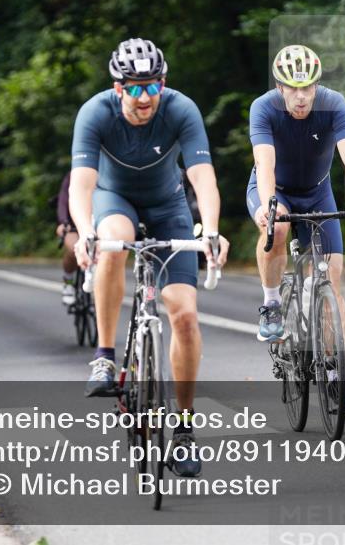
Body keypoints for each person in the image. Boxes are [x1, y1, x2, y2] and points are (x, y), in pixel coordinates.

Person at [70, 37, 230, 478]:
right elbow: (81, 185)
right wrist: (85, 233)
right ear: (118, 88)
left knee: (185, 317)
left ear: (164, 84)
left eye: (153, 87)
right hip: (114, 200)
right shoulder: (95, 113)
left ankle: (184, 430)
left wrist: (211, 230)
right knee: (113, 241)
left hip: (168, 207)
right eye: (135, 88)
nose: (145, 98)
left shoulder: (180, 109)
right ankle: (104, 356)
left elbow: (202, 177)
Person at [247, 44, 345, 414]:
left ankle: (337, 373)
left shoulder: (334, 104)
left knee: (331, 282)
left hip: (318, 192)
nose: (302, 96)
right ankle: (272, 304)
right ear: (280, 87)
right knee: (276, 230)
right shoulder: (263, 108)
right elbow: (264, 164)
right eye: (293, 88)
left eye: (308, 87)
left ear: (317, 85)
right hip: (274, 189)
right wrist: (270, 205)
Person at [55, 171, 78, 305]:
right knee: (74, 250)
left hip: (97, 223)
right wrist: (64, 222)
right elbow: (62, 202)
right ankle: (68, 282)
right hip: (72, 224)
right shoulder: (72, 176)